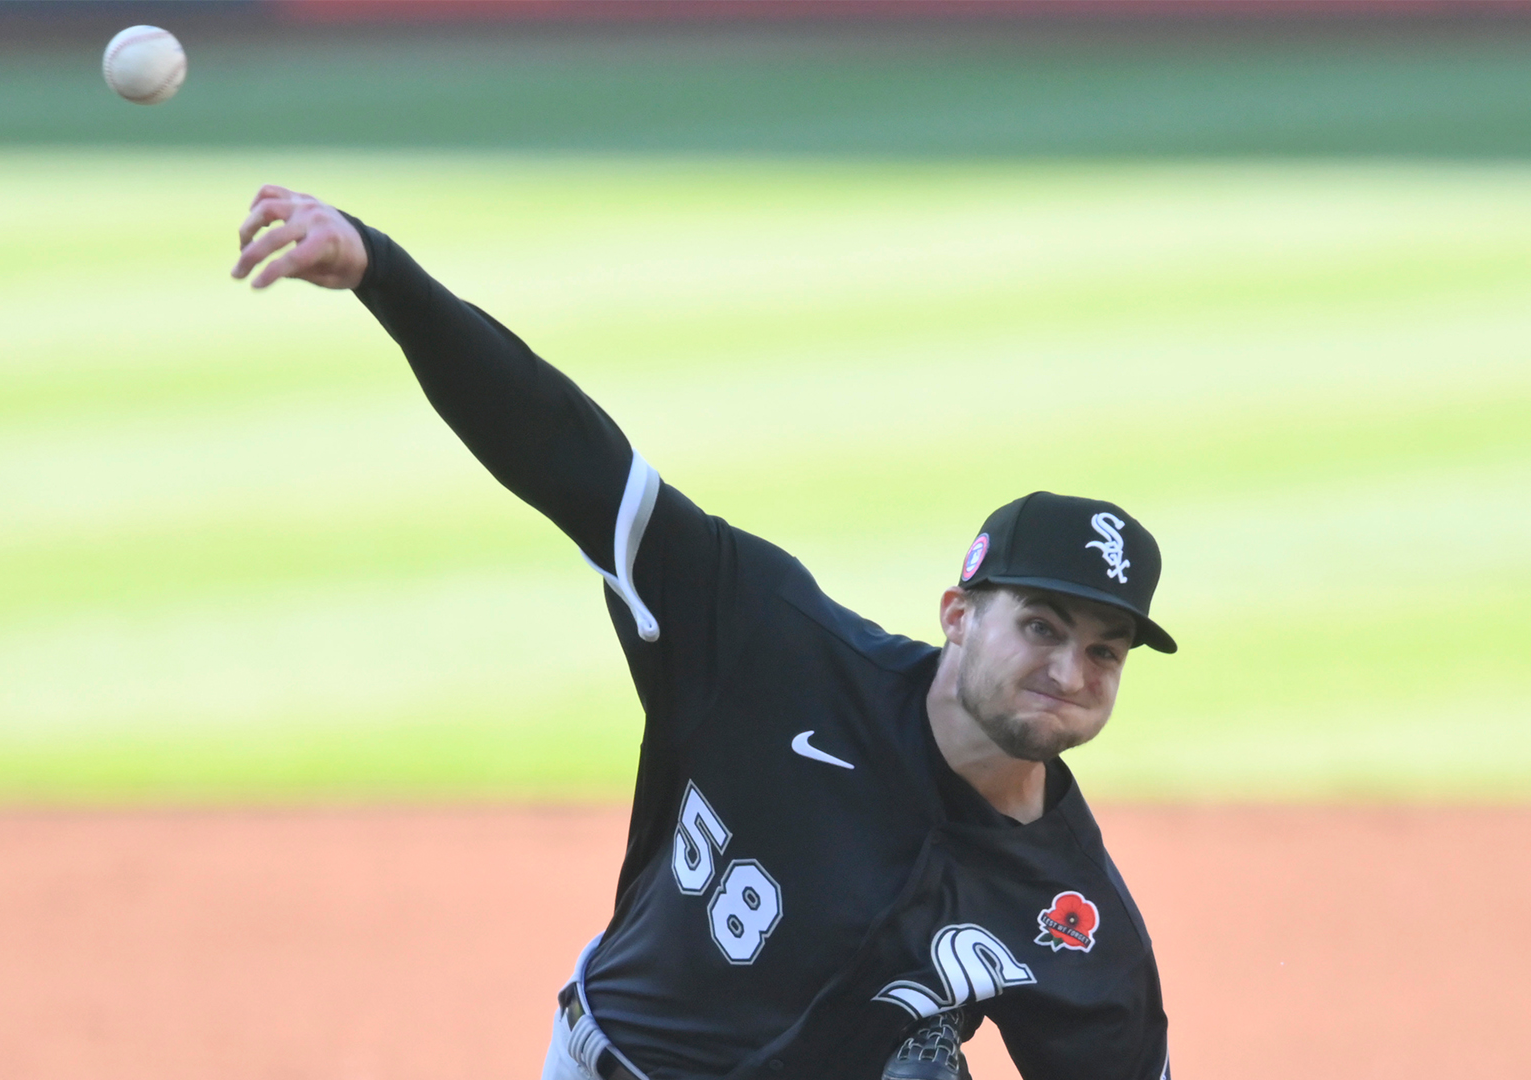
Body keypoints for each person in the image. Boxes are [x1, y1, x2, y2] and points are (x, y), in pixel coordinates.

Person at [231, 185, 1173, 1080]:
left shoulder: (1073, 913)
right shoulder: (772, 641)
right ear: (958, 614)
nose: (1069, 670)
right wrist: (383, 274)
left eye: (1104, 650)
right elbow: (571, 460)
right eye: (1042, 626)